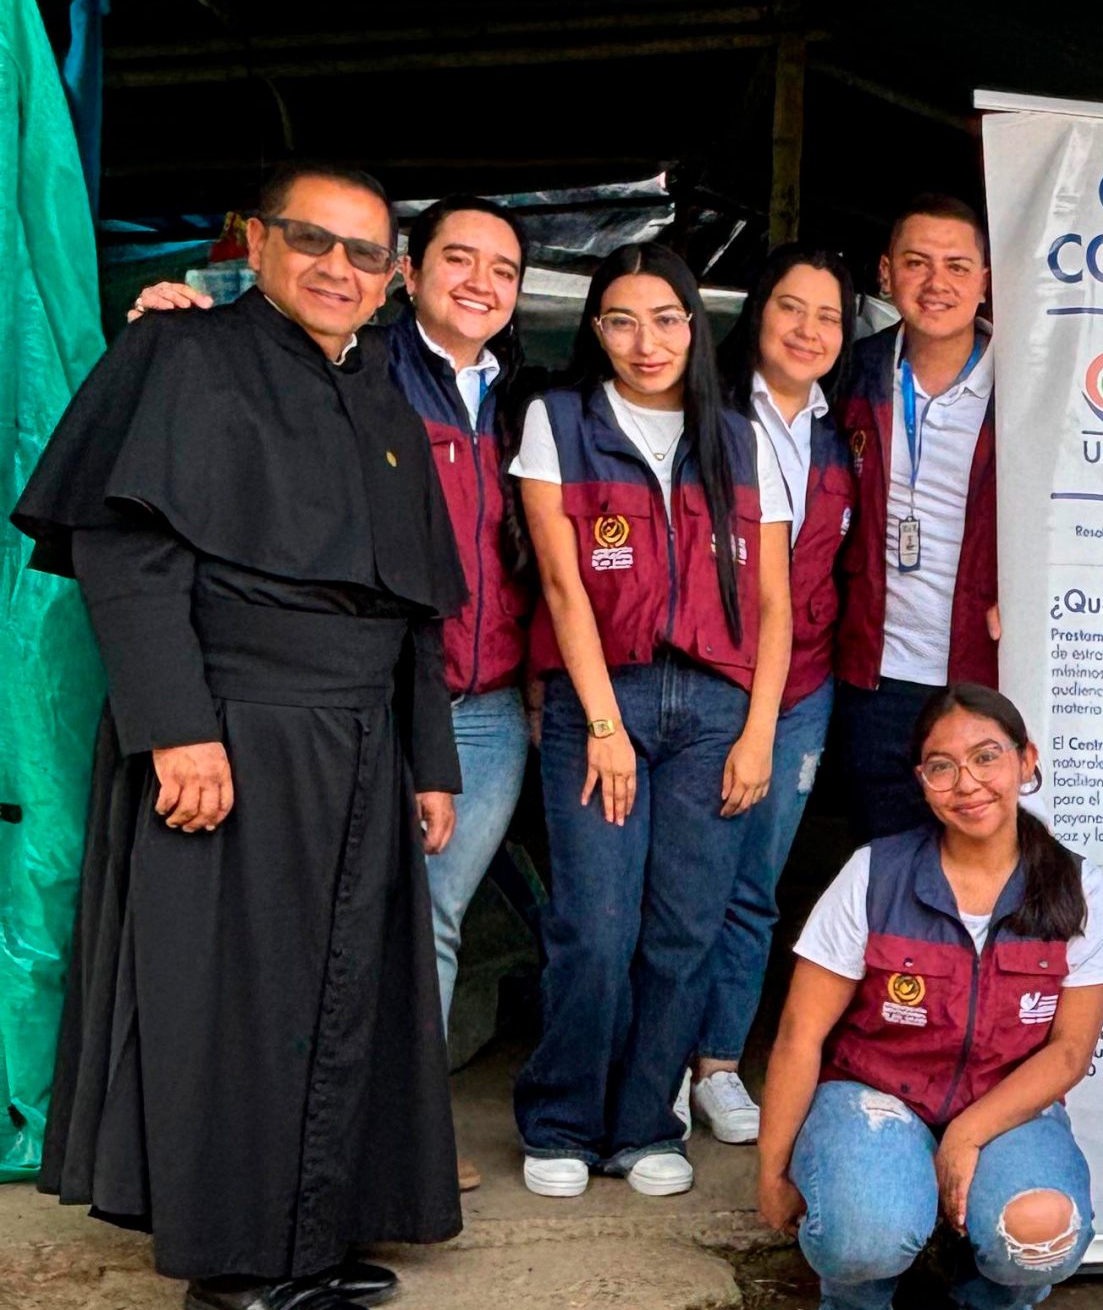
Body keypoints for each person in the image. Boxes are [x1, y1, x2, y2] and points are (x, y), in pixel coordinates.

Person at [13, 162, 465, 1310]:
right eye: (313, 240)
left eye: (366, 254)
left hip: (363, 735)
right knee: (241, 998)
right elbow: (129, 554)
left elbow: (409, 610)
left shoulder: (385, 401)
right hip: (237, 723)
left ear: (391, 278)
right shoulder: (181, 356)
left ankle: (315, 1229)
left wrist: (431, 762)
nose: (339, 268)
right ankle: (236, 1256)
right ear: (255, 242)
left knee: (343, 986)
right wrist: (178, 728)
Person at [128, 196, 540, 1196]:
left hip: (454, 708)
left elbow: (468, 581)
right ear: (413, 273)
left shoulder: (525, 398)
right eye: (458, 258)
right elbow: (146, 532)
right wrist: (172, 311)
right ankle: (300, 1179)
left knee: (408, 932)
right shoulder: (333, 363)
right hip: (297, 710)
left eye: (504, 267)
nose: (480, 282)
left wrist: (463, 738)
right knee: (306, 947)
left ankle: (386, 1152)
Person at [510, 243, 793, 1200]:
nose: (647, 341)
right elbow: (561, 583)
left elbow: (777, 607)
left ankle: (643, 1123)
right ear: (596, 330)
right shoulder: (560, 422)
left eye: (667, 318)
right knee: (594, 924)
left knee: (684, 930)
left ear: (694, 327)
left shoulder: (745, 437)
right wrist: (599, 723)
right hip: (607, 695)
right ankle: (560, 1118)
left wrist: (759, 732)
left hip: (717, 710)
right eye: (623, 320)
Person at [757, 683, 1103, 1310]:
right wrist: (771, 1169)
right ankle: (857, 1304)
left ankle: (994, 1299)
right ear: (921, 781)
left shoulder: (1075, 886)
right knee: (867, 1228)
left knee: (1041, 1232)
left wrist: (968, 1131)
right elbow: (800, 1033)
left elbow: (1071, 1048)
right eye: (941, 765)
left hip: (1006, 1102)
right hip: (875, 1094)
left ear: (1025, 761)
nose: (968, 782)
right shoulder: (876, 873)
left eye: (987, 756)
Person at [686, 245, 858, 1146]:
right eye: (791, 308)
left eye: (828, 316)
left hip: (802, 693)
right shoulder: (701, 414)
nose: (808, 330)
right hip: (706, 685)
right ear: (758, 315)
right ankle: (659, 1059)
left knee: (753, 887)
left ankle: (717, 1063)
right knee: (679, 882)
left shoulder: (837, 438)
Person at [828, 195, 1001, 850]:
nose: (938, 283)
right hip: (877, 674)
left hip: (982, 673)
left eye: (958, 266)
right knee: (888, 866)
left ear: (986, 280)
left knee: (979, 868)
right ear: (885, 272)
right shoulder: (852, 371)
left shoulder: (1028, 384)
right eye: (917, 262)